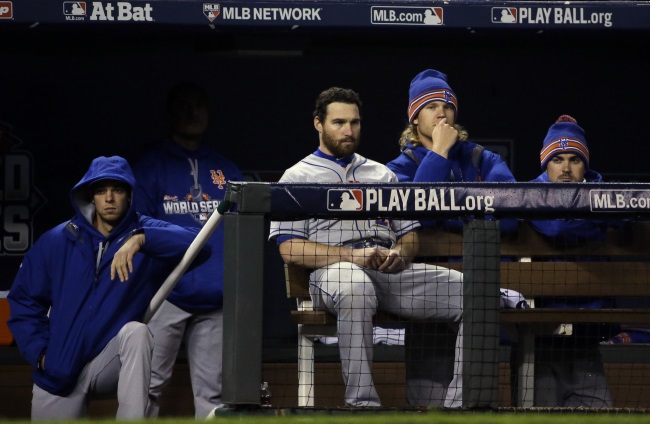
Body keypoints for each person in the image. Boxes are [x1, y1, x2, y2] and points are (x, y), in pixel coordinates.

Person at [268, 87, 464, 408]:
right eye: (339, 123)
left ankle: (462, 406)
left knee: (472, 292)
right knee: (355, 285)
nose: (349, 131)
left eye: (355, 123)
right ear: (318, 124)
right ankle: (362, 405)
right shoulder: (297, 176)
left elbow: (409, 234)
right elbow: (290, 250)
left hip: (387, 271)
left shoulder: (381, 173)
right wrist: (352, 256)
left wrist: (402, 253)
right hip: (332, 273)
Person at [7, 155, 210, 420]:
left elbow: (202, 247)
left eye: (118, 190)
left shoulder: (146, 234)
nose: (110, 198)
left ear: (130, 195)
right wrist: (42, 355)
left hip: (108, 361)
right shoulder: (59, 239)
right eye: (101, 191)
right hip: (59, 370)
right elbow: (24, 302)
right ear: (91, 196)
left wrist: (142, 239)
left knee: (137, 333)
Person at [133, 82, 244, 418]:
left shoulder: (227, 170)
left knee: (213, 396)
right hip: (166, 296)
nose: (192, 112)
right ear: (169, 114)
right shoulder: (150, 167)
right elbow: (137, 232)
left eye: (199, 105)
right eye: (184, 105)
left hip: (215, 301)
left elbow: (245, 234)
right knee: (146, 386)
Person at [528, 114, 617, 408]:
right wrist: (593, 223)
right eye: (557, 159)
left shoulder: (607, 196)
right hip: (540, 341)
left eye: (574, 159)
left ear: (585, 166)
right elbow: (558, 228)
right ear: (546, 165)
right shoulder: (526, 194)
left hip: (586, 339)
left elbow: (625, 223)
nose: (565, 168)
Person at [386, 68, 518, 234]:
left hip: (483, 257)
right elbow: (418, 221)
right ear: (416, 118)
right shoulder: (397, 169)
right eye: (431, 107)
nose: (441, 114)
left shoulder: (483, 159)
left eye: (448, 107)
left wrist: (444, 221)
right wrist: (439, 151)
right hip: (430, 260)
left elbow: (510, 222)